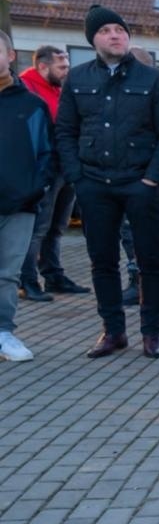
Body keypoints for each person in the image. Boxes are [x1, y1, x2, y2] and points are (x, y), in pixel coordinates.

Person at [56, 5, 159, 359]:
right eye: (107, 30)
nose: (115, 35)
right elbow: (65, 131)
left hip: (140, 183)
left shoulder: (151, 80)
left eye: (121, 30)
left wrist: (153, 179)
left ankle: (151, 333)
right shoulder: (77, 80)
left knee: (151, 260)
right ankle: (113, 331)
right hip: (94, 182)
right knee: (102, 260)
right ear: (93, 39)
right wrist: (77, 177)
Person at [1, 31, 56, 363]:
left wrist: (32, 191)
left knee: (6, 273)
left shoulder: (31, 104)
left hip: (18, 206)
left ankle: (4, 331)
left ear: (10, 56)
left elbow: (46, 155)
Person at [18, 44, 88, 300]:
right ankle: (27, 280)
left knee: (58, 225)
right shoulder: (26, 89)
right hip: (44, 167)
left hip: (67, 165)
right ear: (42, 66)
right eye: (61, 67)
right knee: (39, 227)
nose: (66, 71)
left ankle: (53, 274)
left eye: (67, 66)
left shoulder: (59, 90)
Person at [118, 46, 159, 307]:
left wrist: (152, 176)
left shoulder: (151, 93)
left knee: (136, 230)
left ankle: (144, 282)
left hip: (142, 175)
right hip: (133, 174)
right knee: (150, 230)